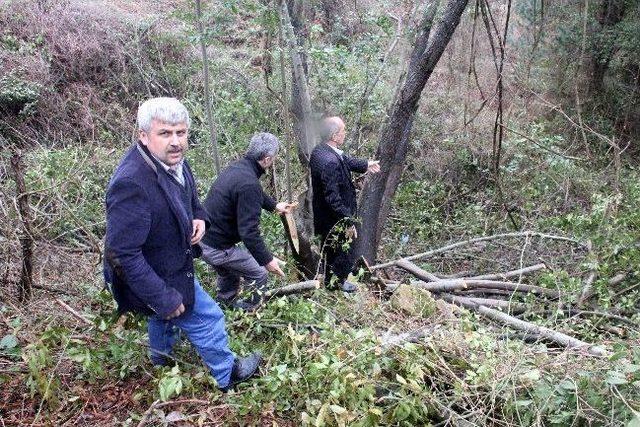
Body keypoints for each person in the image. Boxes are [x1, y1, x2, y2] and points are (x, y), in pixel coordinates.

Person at [103, 97, 260, 391]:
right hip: (153, 271)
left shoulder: (173, 161)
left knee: (165, 315)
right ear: (143, 136)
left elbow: (189, 200)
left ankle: (161, 360)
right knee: (208, 316)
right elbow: (121, 254)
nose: (176, 142)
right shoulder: (132, 183)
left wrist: (199, 217)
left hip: (171, 259)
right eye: (165, 133)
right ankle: (228, 375)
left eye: (181, 132)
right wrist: (162, 296)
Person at [200, 132, 294, 311]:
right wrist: (267, 261)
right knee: (259, 274)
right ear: (266, 159)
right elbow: (249, 232)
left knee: (229, 271)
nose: (273, 162)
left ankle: (225, 304)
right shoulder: (249, 183)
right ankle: (251, 310)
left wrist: (274, 206)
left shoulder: (238, 168)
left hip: (206, 238)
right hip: (216, 247)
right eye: (273, 159)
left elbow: (253, 192)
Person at [309, 116, 381, 292]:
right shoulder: (330, 163)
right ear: (334, 135)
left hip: (325, 216)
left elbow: (345, 160)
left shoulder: (320, 151)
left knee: (332, 251)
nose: (345, 134)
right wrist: (347, 221)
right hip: (335, 218)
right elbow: (333, 198)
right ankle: (336, 285)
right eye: (343, 131)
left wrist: (366, 164)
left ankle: (331, 282)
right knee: (348, 250)